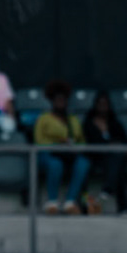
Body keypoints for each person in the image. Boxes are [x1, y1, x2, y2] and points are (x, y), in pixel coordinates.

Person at [33, 80, 91, 215]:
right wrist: (57, 144)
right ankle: (52, 202)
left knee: (83, 163)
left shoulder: (73, 119)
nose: (60, 102)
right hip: (49, 154)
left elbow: (81, 140)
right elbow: (39, 140)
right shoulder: (44, 118)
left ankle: (70, 202)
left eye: (63, 100)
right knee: (55, 164)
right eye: (57, 100)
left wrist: (73, 146)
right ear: (52, 101)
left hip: (69, 153)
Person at [84, 91, 127, 212]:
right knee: (118, 163)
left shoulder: (114, 122)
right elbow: (89, 142)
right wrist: (108, 145)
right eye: (100, 104)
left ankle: (109, 188)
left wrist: (119, 146)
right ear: (95, 105)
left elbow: (126, 140)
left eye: (105, 104)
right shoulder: (89, 123)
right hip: (96, 157)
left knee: (118, 161)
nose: (103, 106)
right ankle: (122, 206)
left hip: (114, 158)